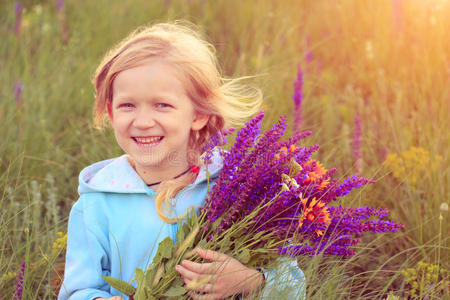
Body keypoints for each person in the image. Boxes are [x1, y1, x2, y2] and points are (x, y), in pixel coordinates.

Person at [58, 22, 305, 300]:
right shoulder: (97, 203)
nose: (142, 121)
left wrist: (250, 282)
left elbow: (294, 285)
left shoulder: (237, 188)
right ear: (112, 113)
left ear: (198, 114)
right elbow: (76, 290)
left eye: (162, 105)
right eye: (127, 105)